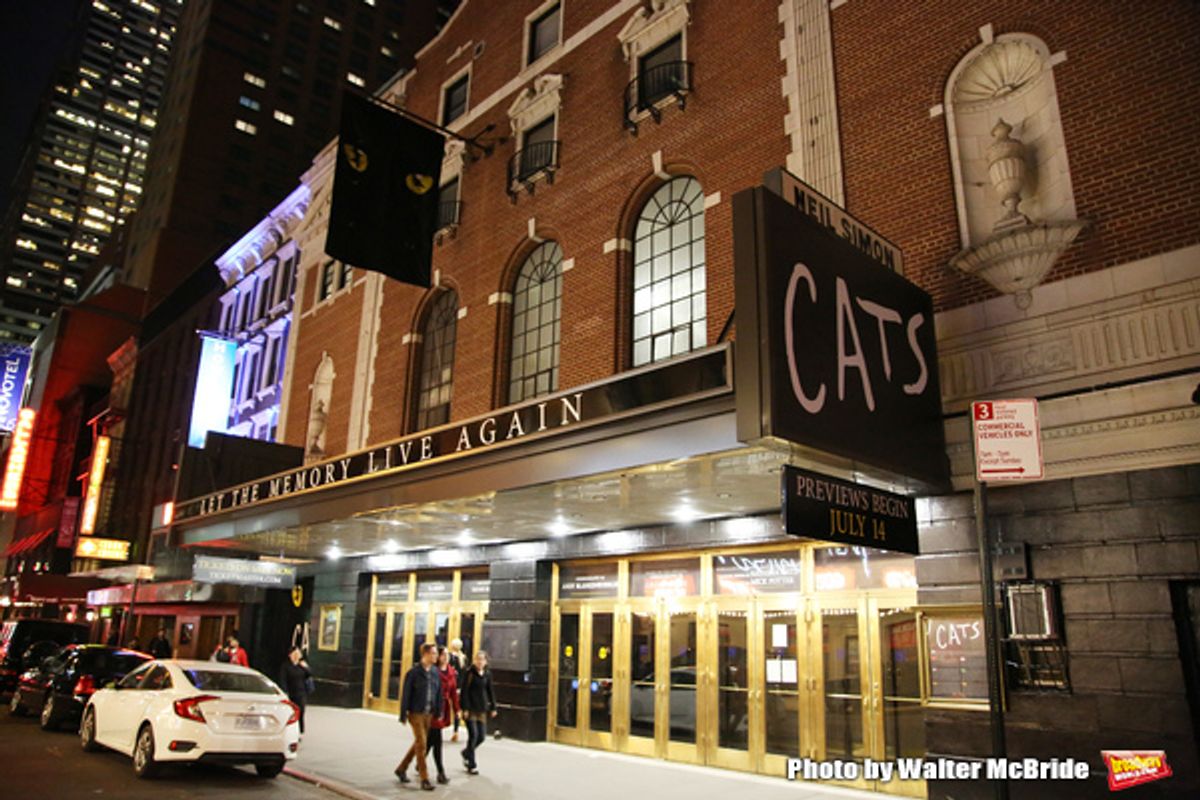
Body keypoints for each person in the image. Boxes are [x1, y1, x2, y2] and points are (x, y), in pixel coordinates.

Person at [396, 642, 442, 791]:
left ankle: (402, 768)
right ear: (425, 654)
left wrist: (439, 711)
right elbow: (406, 694)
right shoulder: (414, 673)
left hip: (429, 713)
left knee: (418, 743)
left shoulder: (435, 672)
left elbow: (438, 693)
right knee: (422, 744)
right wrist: (403, 714)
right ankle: (424, 778)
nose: (436, 656)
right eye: (434, 653)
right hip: (416, 713)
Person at [424, 646, 460, 785]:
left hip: (444, 708)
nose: (446, 657)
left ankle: (416, 764)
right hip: (434, 710)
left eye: (447, 654)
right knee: (436, 741)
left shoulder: (451, 672)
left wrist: (457, 709)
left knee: (429, 742)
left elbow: (453, 693)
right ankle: (441, 773)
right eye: (443, 654)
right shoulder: (433, 672)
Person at [459, 649, 497, 775]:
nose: (480, 662)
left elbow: (490, 690)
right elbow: (464, 691)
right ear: (474, 660)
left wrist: (493, 707)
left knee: (481, 737)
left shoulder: (487, 674)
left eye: (482, 660)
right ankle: (471, 764)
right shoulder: (469, 673)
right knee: (473, 735)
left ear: (486, 661)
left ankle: (466, 752)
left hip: (481, 708)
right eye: (477, 659)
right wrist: (464, 708)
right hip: (470, 709)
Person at [278, 646, 313, 734]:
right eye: (295, 653)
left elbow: (309, 674)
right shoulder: (286, 666)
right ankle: (291, 730)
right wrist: (285, 691)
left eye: (298, 653)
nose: (297, 655)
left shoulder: (301, 665)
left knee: (301, 711)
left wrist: (305, 667)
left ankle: (300, 730)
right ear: (290, 655)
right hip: (291, 692)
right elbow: (283, 679)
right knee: (292, 712)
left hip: (301, 692)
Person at [447, 639, 468, 742]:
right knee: (457, 709)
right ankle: (456, 731)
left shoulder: (450, 657)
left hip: (450, 686)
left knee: (444, 705)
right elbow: (465, 674)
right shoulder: (463, 658)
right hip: (459, 687)